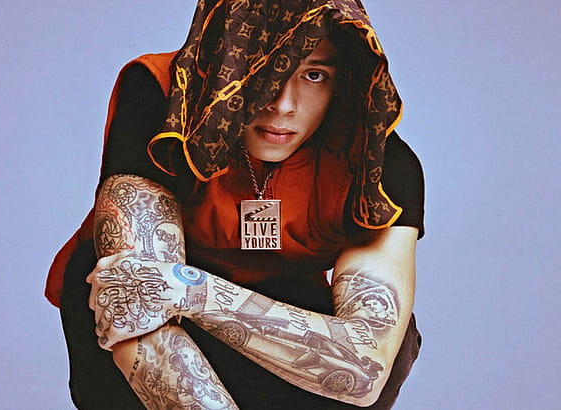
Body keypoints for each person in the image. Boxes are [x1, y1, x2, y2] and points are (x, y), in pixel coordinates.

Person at [47, 1, 425, 408]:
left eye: (314, 75)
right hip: (158, 341)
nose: (282, 104)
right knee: (111, 286)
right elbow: (137, 300)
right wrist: (171, 291)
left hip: (272, 330)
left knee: (395, 338)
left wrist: (189, 290)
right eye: (265, 69)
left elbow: (365, 369)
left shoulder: (377, 157)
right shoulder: (166, 98)